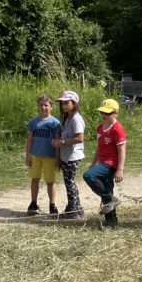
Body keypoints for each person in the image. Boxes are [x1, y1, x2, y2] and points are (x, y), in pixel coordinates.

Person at [82, 98, 127, 228]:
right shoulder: (100, 128)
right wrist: (93, 163)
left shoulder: (117, 129)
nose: (103, 115)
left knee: (88, 176)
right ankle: (111, 222)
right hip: (102, 163)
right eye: (102, 112)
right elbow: (99, 147)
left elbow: (122, 150)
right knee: (106, 190)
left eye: (107, 113)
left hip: (111, 164)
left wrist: (120, 169)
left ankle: (109, 199)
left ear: (116, 113)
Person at [25, 94, 62, 216]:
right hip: (35, 155)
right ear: (38, 106)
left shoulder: (55, 123)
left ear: (51, 107)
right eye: (41, 105)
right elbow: (30, 139)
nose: (43, 107)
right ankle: (33, 203)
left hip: (49, 156)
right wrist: (28, 155)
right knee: (34, 179)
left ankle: (52, 205)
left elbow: (58, 142)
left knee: (50, 181)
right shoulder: (33, 122)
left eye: (46, 105)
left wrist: (57, 158)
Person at [51, 90, 86, 220]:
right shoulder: (68, 118)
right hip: (67, 155)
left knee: (70, 182)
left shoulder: (76, 118)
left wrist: (62, 142)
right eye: (62, 103)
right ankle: (76, 208)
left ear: (74, 103)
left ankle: (73, 210)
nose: (64, 105)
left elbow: (80, 138)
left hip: (73, 156)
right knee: (70, 182)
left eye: (66, 102)